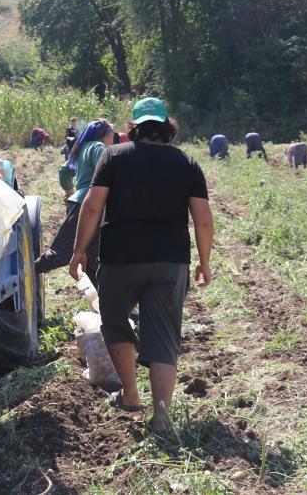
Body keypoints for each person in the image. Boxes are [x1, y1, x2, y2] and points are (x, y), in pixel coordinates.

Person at [69, 97, 213, 434]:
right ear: (166, 127)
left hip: (122, 259)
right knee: (163, 335)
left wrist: (78, 250)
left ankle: (131, 396)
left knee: (116, 322)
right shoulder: (187, 163)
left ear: (134, 127)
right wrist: (204, 261)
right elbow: (203, 220)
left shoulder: (115, 156)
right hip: (170, 261)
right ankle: (162, 418)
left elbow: (91, 207)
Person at [34, 119, 115, 282]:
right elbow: (109, 170)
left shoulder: (82, 148)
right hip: (92, 204)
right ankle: (28, 269)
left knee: (93, 259)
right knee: (65, 252)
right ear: (104, 135)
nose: (113, 136)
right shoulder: (98, 147)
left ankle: (107, 303)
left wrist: (70, 190)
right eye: (112, 133)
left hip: (78, 201)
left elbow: (64, 171)